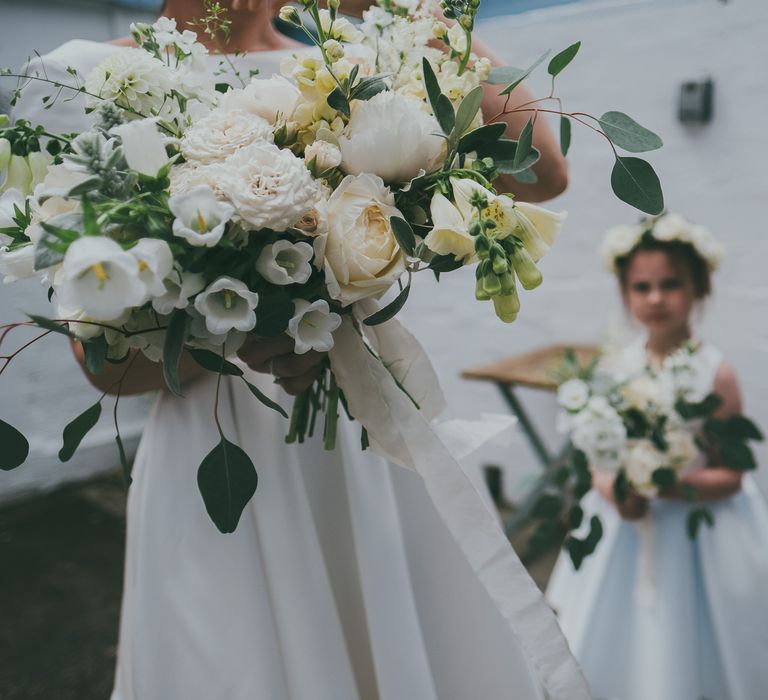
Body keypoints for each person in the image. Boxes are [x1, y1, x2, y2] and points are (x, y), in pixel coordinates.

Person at [11, 2, 581, 698]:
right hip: (218, 451)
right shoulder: (92, 78)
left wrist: (405, 9)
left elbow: (539, 172)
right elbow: (106, 367)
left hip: (361, 439)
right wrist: (252, 327)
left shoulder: (346, 69)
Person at [546, 218, 768, 700]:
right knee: (618, 637)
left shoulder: (716, 374)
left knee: (690, 636)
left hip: (696, 519)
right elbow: (599, 456)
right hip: (626, 520)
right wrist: (614, 489)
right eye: (641, 287)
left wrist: (665, 487)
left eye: (671, 284)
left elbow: (731, 475)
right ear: (625, 294)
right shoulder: (617, 367)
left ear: (698, 289)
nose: (655, 298)